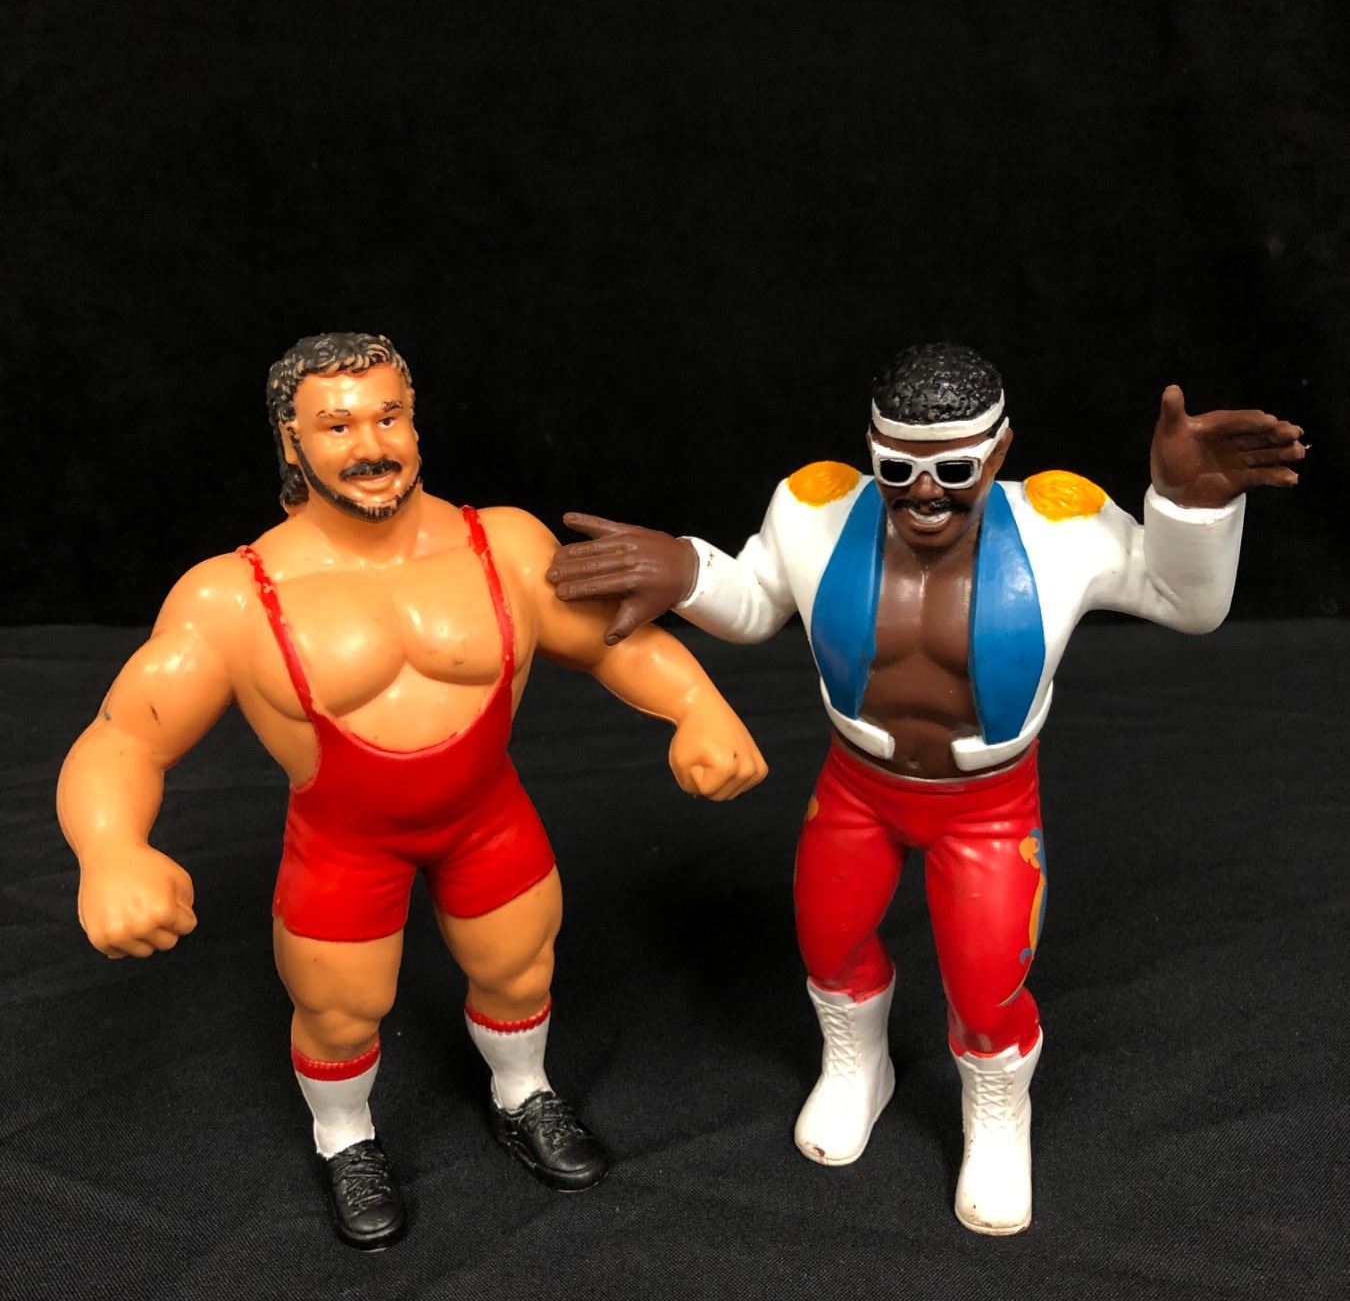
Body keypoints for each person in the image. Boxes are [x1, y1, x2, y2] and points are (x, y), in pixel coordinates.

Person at [547, 343, 1304, 1235]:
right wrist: (690, 570)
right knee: (827, 940)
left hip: (988, 809)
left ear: (1000, 449)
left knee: (987, 988)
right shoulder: (814, 509)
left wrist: (1189, 505)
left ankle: (997, 1116)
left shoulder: (1063, 528)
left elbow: (1187, 604)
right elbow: (755, 602)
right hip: (857, 786)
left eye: (954, 469)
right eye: (899, 469)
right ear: (871, 451)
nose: (925, 494)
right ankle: (856, 1067)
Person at [57, 332, 766, 1249]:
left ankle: (524, 1092)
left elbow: (610, 641)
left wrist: (699, 707)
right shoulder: (231, 597)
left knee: (520, 967)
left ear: (415, 421)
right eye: (337, 425)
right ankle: (345, 1138)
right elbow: (125, 737)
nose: (371, 444)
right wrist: (110, 850)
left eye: (388, 416)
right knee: (339, 1009)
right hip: (345, 842)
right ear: (291, 441)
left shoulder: (504, 544)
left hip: (486, 818)